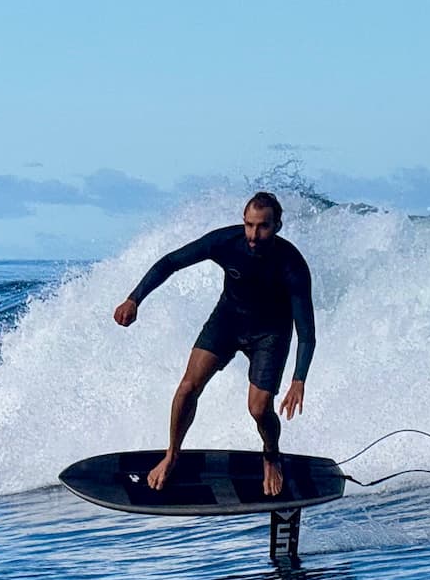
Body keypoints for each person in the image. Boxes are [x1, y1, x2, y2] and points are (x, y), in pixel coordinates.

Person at [112, 191, 316, 497]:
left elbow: (306, 332)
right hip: (228, 321)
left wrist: (298, 379)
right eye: (248, 225)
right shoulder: (226, 242)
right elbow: (171, 263)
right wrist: (134, 298)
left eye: (262, 226)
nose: (253, 234)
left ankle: (271, 455)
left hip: (270, 333)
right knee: (187, 387)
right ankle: (172, 455)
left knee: (259, 409)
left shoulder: (292, 264)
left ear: (277, 226)